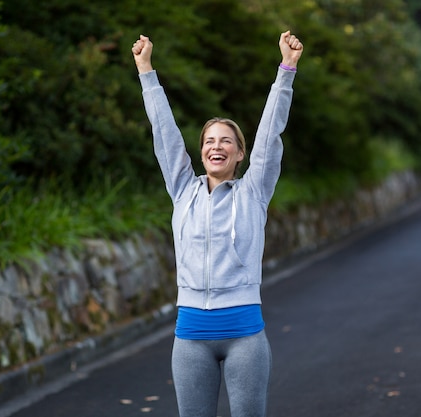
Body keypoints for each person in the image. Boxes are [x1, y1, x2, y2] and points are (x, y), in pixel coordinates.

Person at [132, 30, 303, 417]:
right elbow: (165, 135)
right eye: (209, 140)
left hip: (245, 334)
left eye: (227, 141)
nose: (216, 146)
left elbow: (270, 133)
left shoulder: (253, 192)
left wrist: (287, 69)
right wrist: (146, 72)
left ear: (240, 153)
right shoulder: (183, 190)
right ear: (201, 150)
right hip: (190, 338)